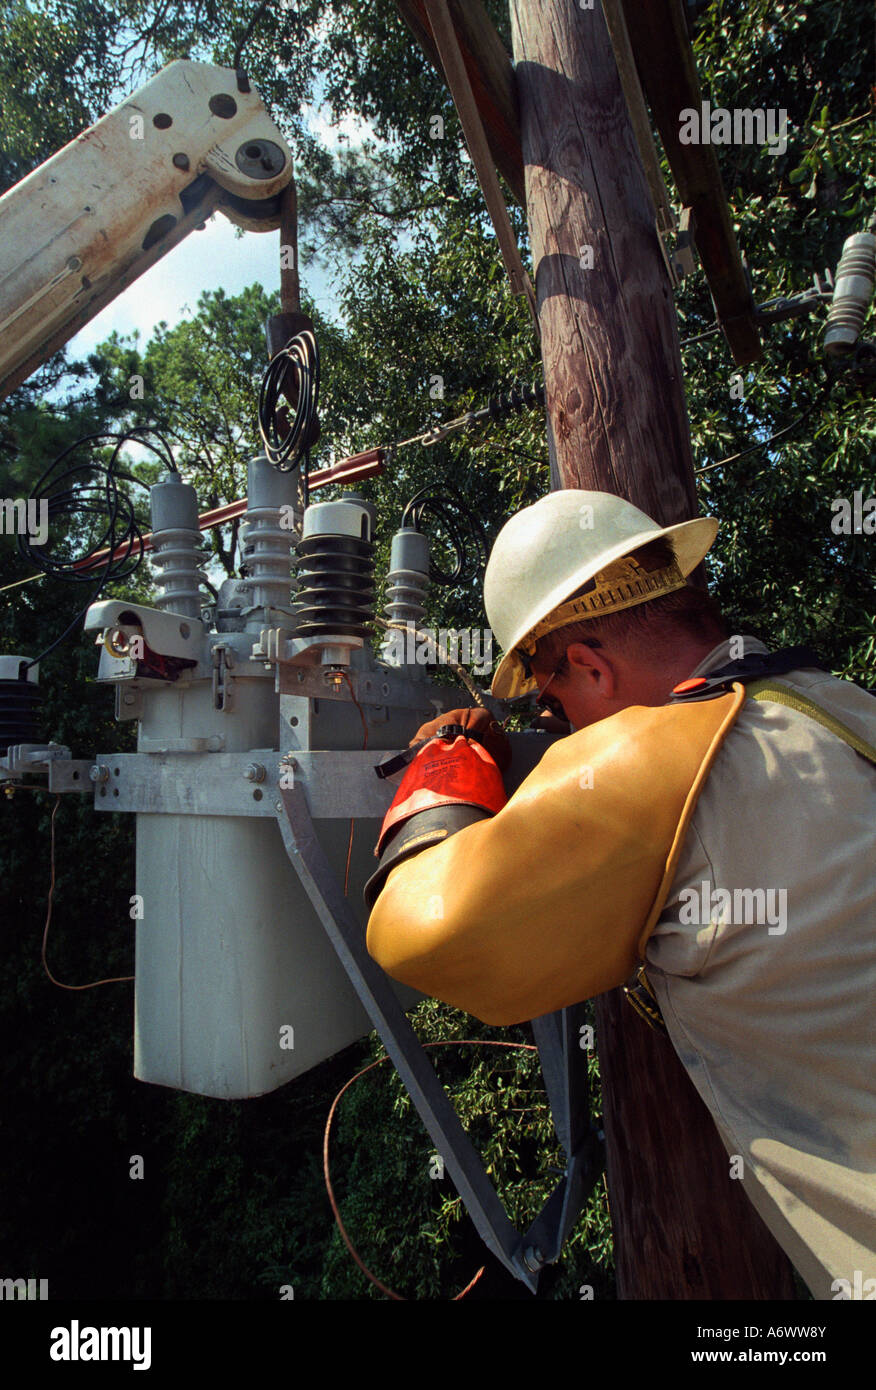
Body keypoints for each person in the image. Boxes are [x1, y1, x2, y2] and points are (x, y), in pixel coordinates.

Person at [364, 489, 876, 1301]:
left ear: (592, 667)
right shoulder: (840, 707)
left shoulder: (660, 758)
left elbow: (419, 933)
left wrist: (447, 768)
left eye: (550, 700)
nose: (558, 725)